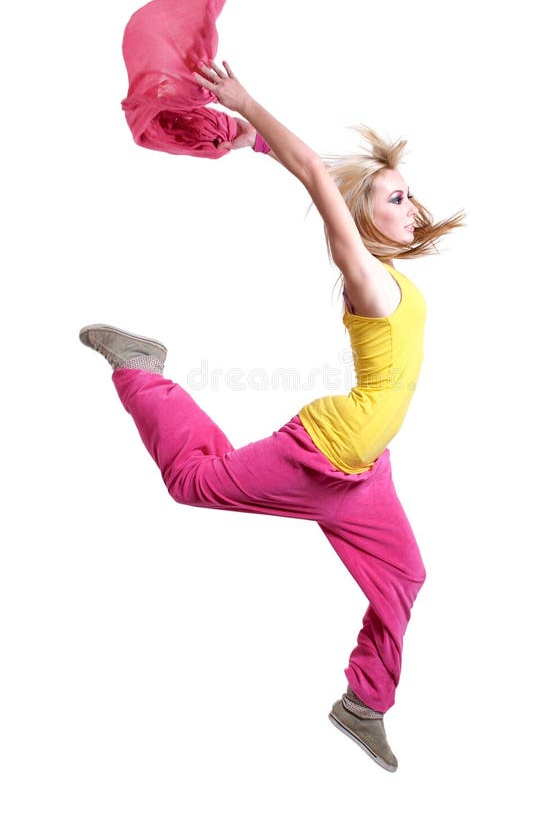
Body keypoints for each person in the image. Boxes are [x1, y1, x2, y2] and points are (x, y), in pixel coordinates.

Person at [79, 59, 465, 772]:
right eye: (393, 199)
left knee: (405, 576)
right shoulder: (369, 279)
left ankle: (363, 705)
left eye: (409, 198)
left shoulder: (398, 279)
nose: (410, 209)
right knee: (192, 483)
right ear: (359, 221)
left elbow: (330, 176)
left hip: (364, 472)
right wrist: (250, 109)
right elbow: (320, 179)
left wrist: (252, 137)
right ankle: (141, 367)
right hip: (321, 453)